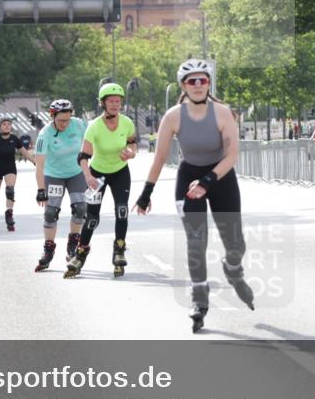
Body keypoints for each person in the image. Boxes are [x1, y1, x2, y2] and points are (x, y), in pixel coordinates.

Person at [135, 59, 255, 333]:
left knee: (236, 243)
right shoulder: (174, 116)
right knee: (196, 242)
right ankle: (199, 298)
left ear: (209, 83)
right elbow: (160, 158)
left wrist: (208, 180)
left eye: (202, 80)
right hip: (189, 179)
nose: (198, 85)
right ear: (183, 86)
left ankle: (233, 268)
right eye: (192, 81)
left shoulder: (223, 113)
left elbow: (232, 156)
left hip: (221, 177)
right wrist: (146, 193)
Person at [64, 83, 137, 279]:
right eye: (111, 101)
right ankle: (81, 252)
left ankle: (119, 249)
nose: (115, 104)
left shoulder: (127, 123)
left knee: (122, 211)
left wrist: (130, 154)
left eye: (118, 101)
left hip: (120, 172)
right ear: (103, 103)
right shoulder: (94, 126)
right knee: (92, 218)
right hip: (97, 174)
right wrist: (88, 177)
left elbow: (132, 144)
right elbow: (82, 156)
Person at [34, 99, 88, 272]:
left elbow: (93, 139)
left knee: (80, 208)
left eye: (67, 120)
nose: (64, 124)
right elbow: (40, 165)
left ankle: (73, 243)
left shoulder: (79, 125)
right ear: (53, 117)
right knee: (50, 212)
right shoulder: (45, 134)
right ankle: (48, 249)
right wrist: (41, 189)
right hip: (53, 175)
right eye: (60, 120)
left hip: (76, 173)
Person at [0, 117, 35, 232]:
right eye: (4, 124)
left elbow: (24, 152)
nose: (7, 126)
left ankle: (9, 214)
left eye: (9, 124)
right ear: (0, 127)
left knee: (10, 190)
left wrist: (34, 161)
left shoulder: (15, 139)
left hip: (10, 168)